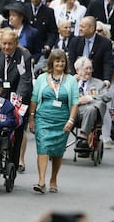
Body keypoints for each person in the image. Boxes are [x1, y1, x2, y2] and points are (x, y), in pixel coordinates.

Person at [0, 29, 33, 176]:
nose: (6, 47)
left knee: (16, 129)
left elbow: (25, 79)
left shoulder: (24, 56)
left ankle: (14, 163)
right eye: (4, 44)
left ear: (16, 44)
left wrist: (17, 101)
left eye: (10, 44)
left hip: (16, 95)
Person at [28, 49, 78, 194]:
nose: (60, 64)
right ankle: (41, 181)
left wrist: (71, 120)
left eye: (62, 61)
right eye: (57, 61)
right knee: (43, 146)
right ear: (52, 62)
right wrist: (32, 118)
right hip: (43, 118)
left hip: (62, 119)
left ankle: (53, 179)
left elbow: (75, 102)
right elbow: (34, 98)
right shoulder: (42, 78)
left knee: (57, 151)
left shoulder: (71, 80)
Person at [74, 57, 111, 150]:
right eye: (86, 68)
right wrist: (76, 101)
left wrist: (90, 98)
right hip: (73, 112)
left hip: (91, 113)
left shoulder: (99, 83)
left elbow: (107, 97)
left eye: (90, 68)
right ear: (78, 70)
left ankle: (83, 137)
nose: (89, 71)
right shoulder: (71, 82)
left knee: (90, 109)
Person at [68, 16, 114, 83]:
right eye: (80, 26)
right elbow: (71, 61)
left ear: (92, 29)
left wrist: (106, 79)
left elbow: (108, 63)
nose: (80, 29)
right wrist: (73, 75)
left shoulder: (105, 43)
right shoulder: (75, 41)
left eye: (82, 27)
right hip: (77, 79)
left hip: (97, 80)